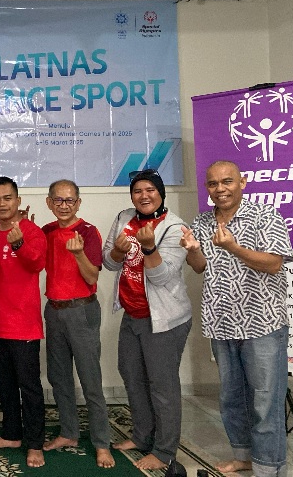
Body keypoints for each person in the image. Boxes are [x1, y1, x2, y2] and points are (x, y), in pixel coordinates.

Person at [181, 160, 293, 477]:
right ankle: (244, 457)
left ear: (242, 182)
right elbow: (199, 266)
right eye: (213, 184)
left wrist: (233, 247)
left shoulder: (265, 215)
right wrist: (192, 249)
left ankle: (269, 467)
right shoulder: (202, 221)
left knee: (265, 401)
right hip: (221, 323)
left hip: (263, 324)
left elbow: (273, 264)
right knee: (233, 399)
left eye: (227, 181)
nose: (220, 189)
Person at [102, 169, 191, 471]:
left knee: (162, 386)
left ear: (161, 193)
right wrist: (118, 250)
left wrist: (149, 246)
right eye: (138, 191)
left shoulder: (175, 227)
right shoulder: (124, 218)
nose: (144, 196)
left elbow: (162, 277)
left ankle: (164, 451)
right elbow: (108, 262)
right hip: (132, 313)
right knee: (131, 374)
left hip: (165, 318)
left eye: (150, 190)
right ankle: (142, 437)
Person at [41, 180, 114, 469]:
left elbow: (92, 276)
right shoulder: (46, 231)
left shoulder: (88, 232)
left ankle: (102, 443)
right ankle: (69, 433)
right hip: (54, 310)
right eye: (58, 200)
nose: (64, 206)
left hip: (81, 311)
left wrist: (79, 253)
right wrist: (23, 233)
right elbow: (31, 259)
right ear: (49, 203)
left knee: (90, 380)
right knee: (58, 377)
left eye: (69, 200)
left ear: (78, 203)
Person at [0, 176, 47, 468]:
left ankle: (35, 443)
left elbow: (37, 264)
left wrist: (19, 243)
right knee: (4, 384)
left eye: (7, 198)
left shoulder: (32, 231)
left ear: (18, 201)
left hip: (24, 325)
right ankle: (11, 434)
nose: (2, 204)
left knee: (29, 388)